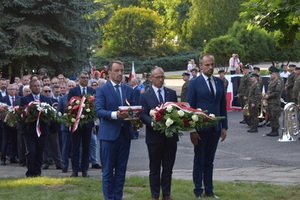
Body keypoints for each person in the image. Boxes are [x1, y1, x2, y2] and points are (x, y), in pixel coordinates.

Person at [187, 53, 227, 199]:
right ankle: (198, 190)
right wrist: (192, 130)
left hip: (215, 128)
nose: (210, 67)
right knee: (199, 160)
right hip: (200, 129)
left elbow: (222, 106)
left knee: (209, 161)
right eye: (207, 65)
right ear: (200, 66)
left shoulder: (219, 82)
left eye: (212, 65)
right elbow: (189, 108)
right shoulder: (194, 83)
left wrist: (224, 126)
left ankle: (209, 190)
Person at [95, 60, 136, 200]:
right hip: (108, 136)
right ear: (109, 73)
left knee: (121, 170)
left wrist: (134, 117)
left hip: (124, 135)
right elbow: (99, 111)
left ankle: (118, 197)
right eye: (117, 71)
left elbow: (134, 109)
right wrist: (115, 115)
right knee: (107, 171)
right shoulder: (102, 90)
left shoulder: (129, 90)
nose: (120, 73)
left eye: (122, 70)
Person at [140, 67, 178, 200]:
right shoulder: (145, 95)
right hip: (154, 137)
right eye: (157, 77)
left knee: (168, 167)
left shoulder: (171, 93)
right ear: (151, 78)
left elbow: (177, 112)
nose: (160, 80)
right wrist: (152, 123)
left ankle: (166, 194)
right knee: (155, 168)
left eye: (162, 77)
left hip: (170, 137)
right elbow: (143, 114)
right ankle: (155, 195)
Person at [20, 79, 52, 177]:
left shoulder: (46, 99)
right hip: (29, 130)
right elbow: (21, 114)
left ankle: (37, 172)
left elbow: (50, 114)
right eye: (35, 86)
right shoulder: (25, 99)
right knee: (31, 151)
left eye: (38, 86)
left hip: (42, 130)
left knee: (39, 151)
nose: (37, 87)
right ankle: (30, 171)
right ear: (30, 87)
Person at [68, 71, 96, 177]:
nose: (85, 79)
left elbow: (95, 107)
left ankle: (85, 170)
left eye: (87, 77)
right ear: (79, 79)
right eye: (83, 77)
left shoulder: (92, 91)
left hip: (88, 123)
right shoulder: (73, 91)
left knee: (86, 147)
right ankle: (75, 170)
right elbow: (69, 104)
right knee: (75, 147)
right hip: (76, 123)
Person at [0, 84, 19, 165]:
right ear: (7, 90)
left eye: (14, 89)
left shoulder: (19, 99)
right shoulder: (3, 99)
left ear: (16, 90)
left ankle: (13, 157)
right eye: (10, 89)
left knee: (15, 141)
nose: (12, 90)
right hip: (6, 123)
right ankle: (3, 158)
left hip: (16, 123)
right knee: (5, 140)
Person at [263, 67, 282, 137]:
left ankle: (276, 131)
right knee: (271, 116)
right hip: (270, 102)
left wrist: (269, 96)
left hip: (274, 102)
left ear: (276, 74)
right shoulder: (271, 82)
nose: (271, 75)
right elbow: (269, 90)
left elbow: (277, 92)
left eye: (272, 74)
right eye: (271, 74)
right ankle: (272, 130)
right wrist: (266, 95)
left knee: (274, 116)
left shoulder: (278, 82)